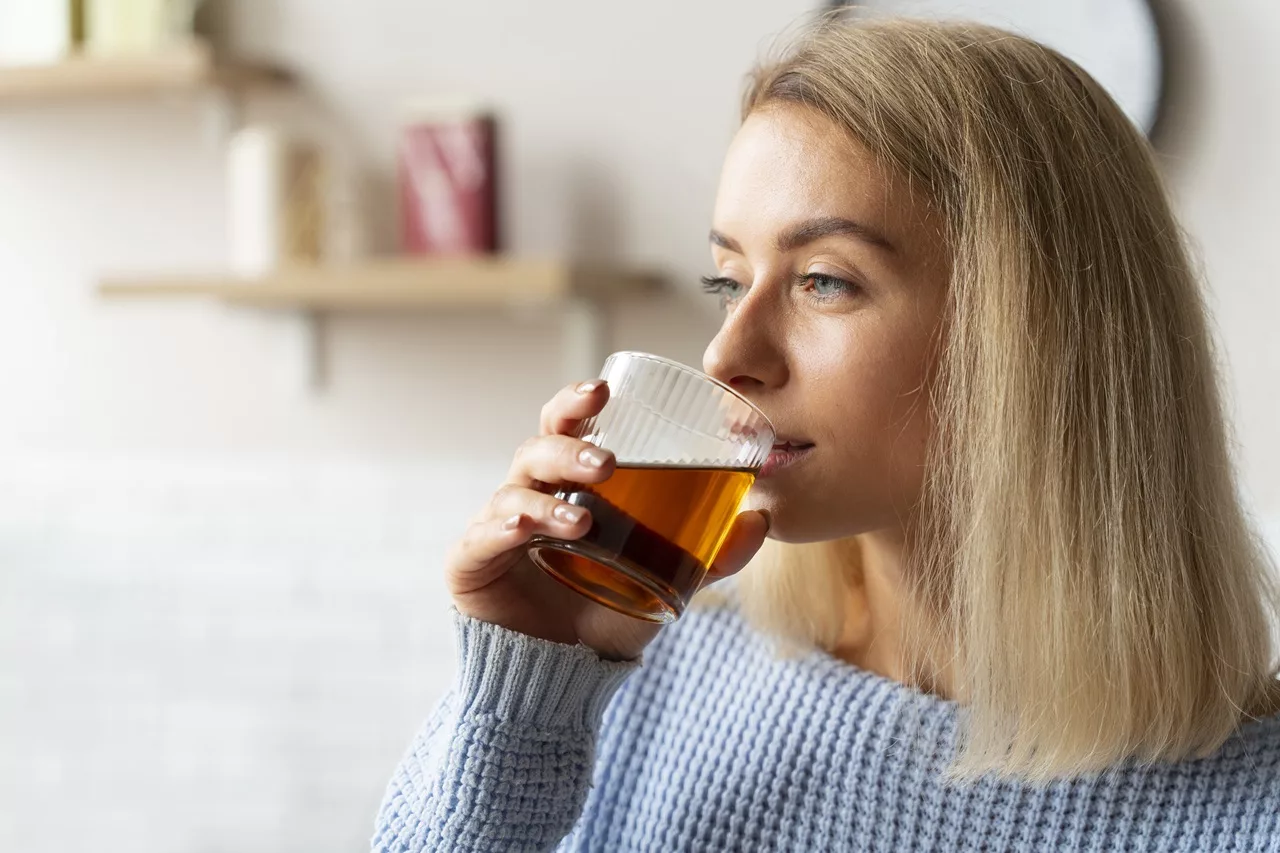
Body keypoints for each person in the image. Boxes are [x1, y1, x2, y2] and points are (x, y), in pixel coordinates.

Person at [371, 17, 1280, 852]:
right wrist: (527, 695)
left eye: (825, 282)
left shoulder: (1251, 806)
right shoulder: (650, 664)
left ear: (1038, 338)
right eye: (730, 280)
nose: (730, 353)